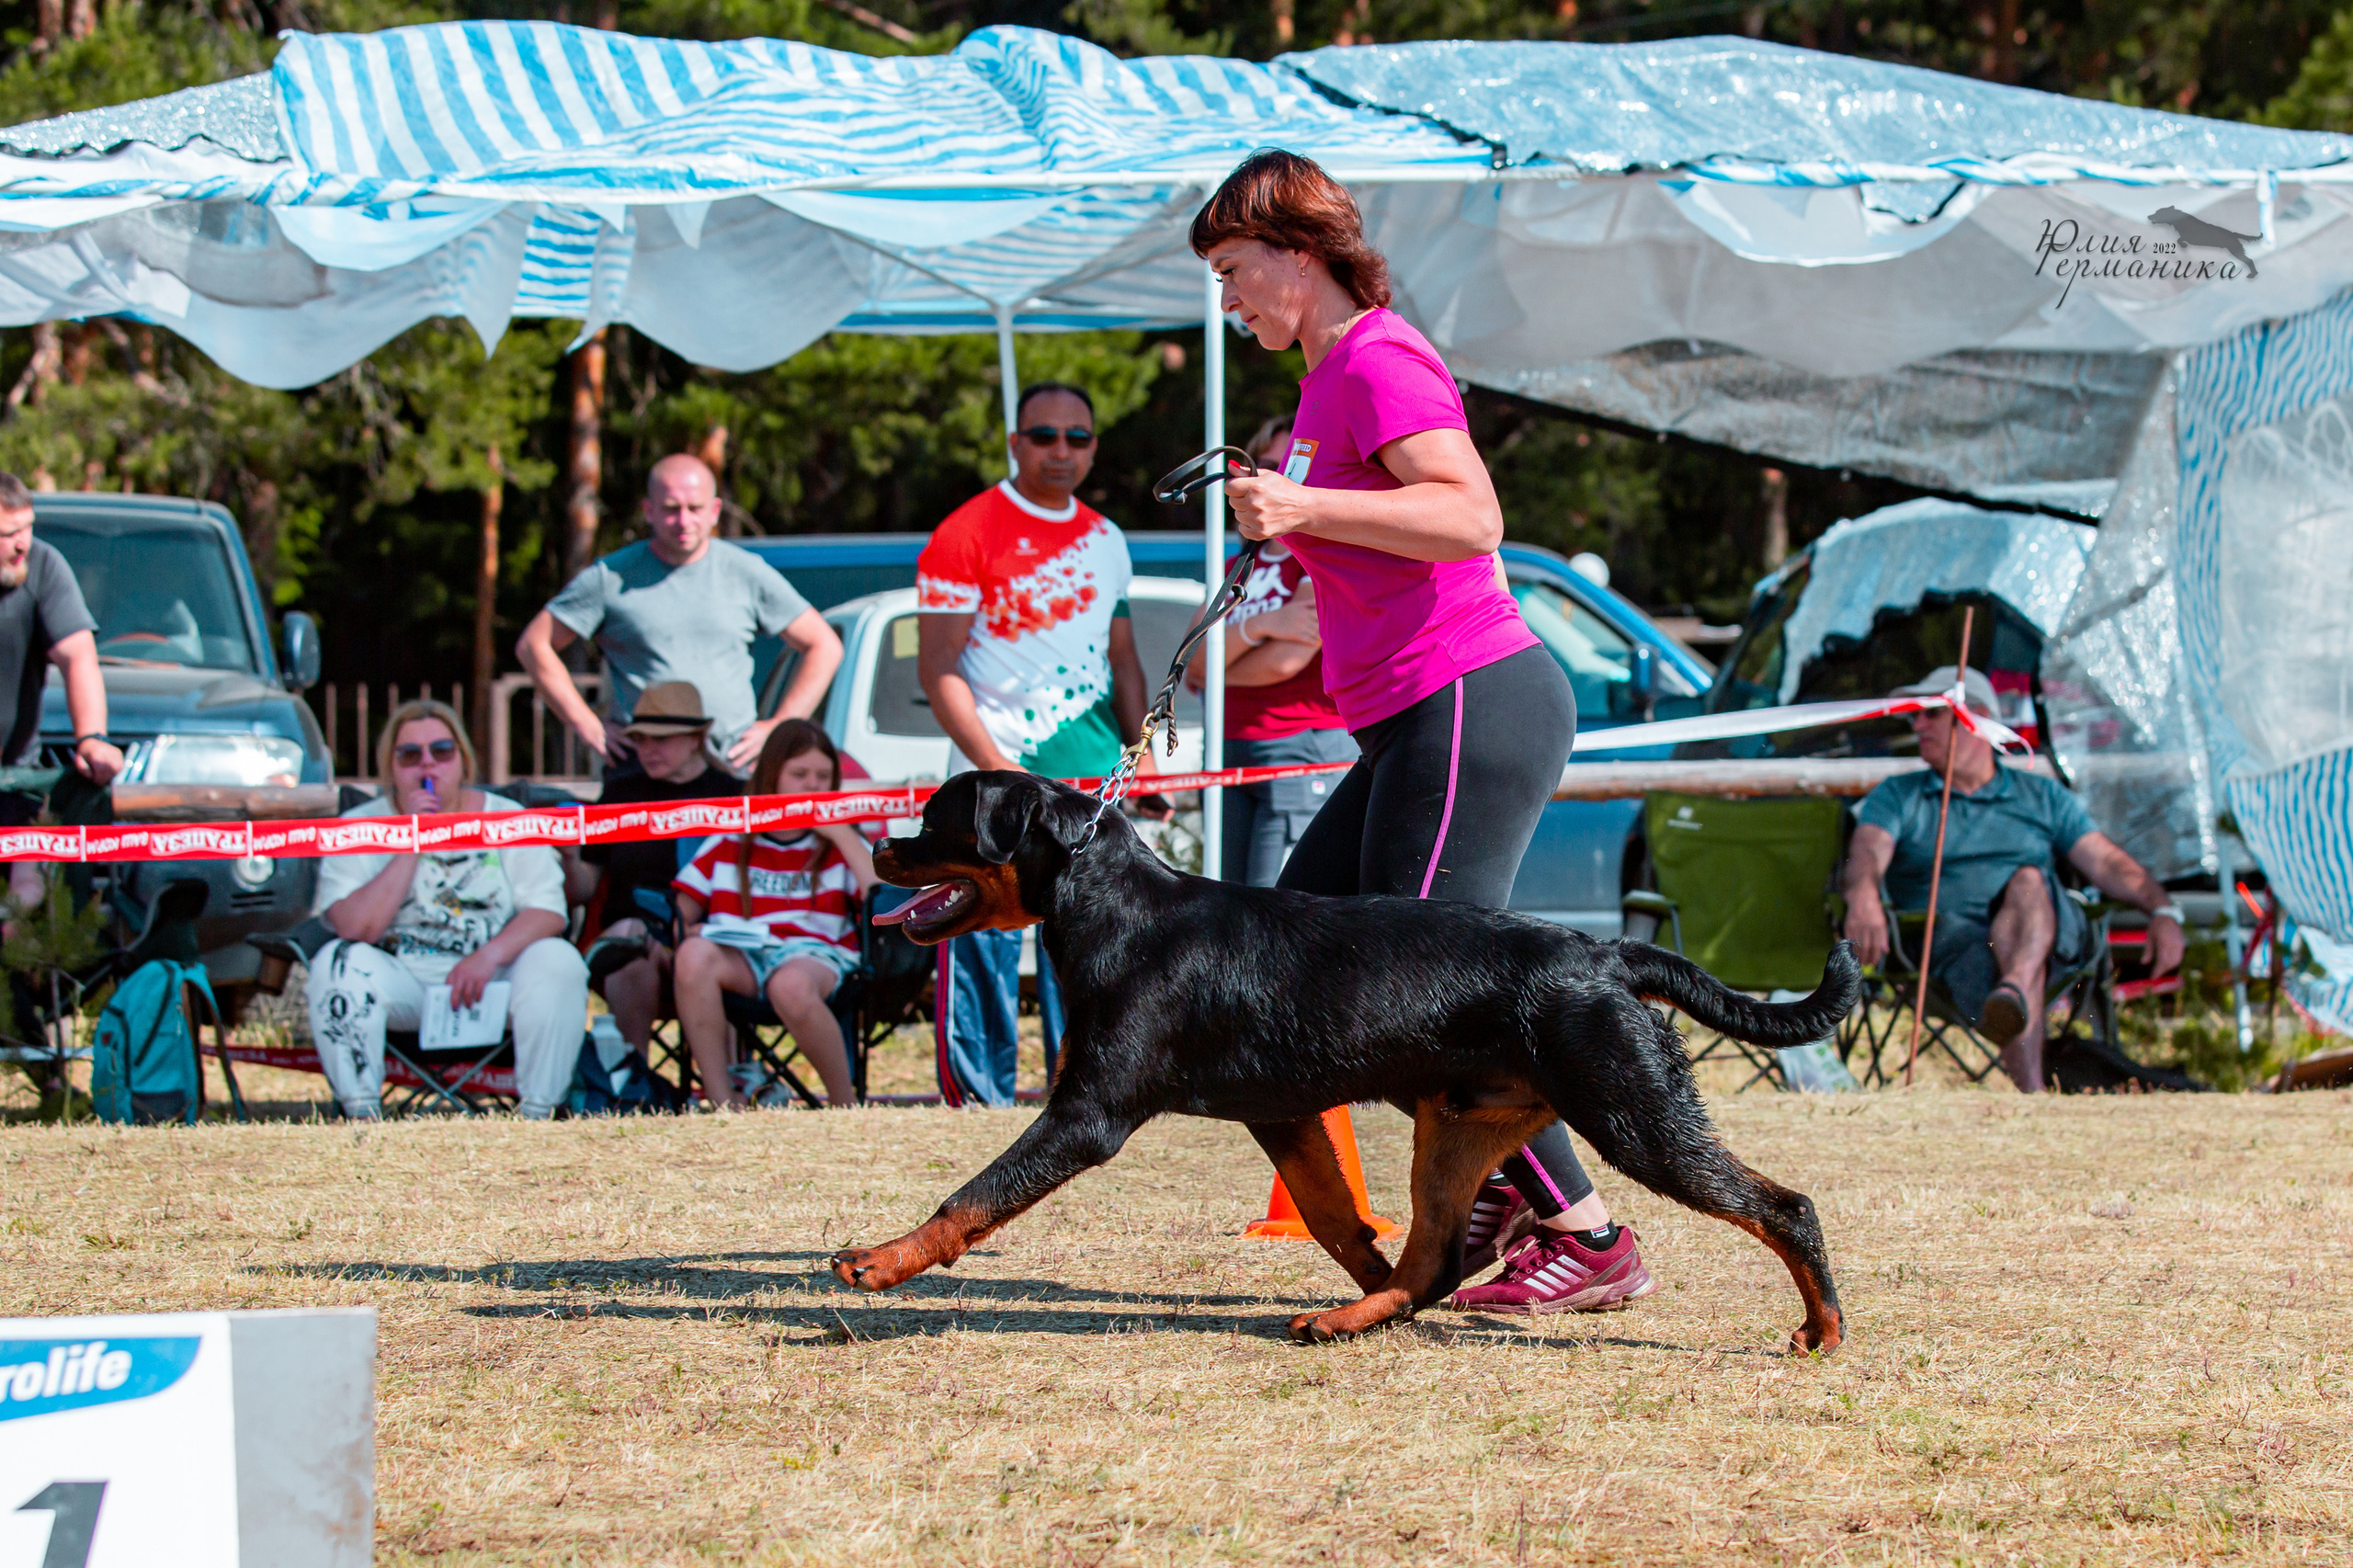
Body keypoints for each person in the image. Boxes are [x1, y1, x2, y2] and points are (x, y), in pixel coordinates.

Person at [1195, 148, 1651, 1314]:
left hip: (1469, 698)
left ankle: (1588, 1235)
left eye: (1238, 270)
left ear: (1300, 257)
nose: (1228, 298)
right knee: (1301, 956)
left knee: (1421, 988)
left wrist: (1298, 505)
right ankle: (1498, 1192)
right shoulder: (1322, 382)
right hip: (1413, 718)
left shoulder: (1378, 356)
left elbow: (1468, 515)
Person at [915, 381, 1153, 1106]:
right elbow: (937, 668)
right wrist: (997, 771)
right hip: (995, 781)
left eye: (1077, 438)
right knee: (980, 931)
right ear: (1015, 442)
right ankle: (977, 1099)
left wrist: (1141, 753)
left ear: (1093, 448)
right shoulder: (966, 531)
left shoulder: (1106, 539)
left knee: (1090, 944)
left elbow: (1123, 660)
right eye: (1044, 436)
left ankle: (1081, 1089)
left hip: (1085, 781)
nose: (1060, 451)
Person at [1842, 665, 2187, 1092]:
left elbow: (2107, 862)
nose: (1917, 724)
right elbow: (1868, 852)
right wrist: (1862, 896)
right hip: (1943, 948)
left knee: (2027, 882)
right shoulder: (1899, 795)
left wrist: (2163, 908)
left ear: (1977, 719)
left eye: (1933, 713)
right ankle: (2028, 1060)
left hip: (2044, 932)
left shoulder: (2041, 796)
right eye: (1915, 715)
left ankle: (2016, 997)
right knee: (2020, 954)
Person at [307, 700, 589, 1120]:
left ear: (463, 760)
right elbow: (353, 927)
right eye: (409, 755)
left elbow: (549, 911)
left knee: (559, 959)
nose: (427, 764)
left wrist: (487, 957)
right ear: (391, 768)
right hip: (406, 983)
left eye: (441, 751)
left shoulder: (507, 819)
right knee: (337, 961)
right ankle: (360, 1113)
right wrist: (414, 840)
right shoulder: (361, 824)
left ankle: (539, 1113)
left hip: (493, 979)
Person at [516, 454, 843, 774]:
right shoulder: (611, 577)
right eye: (672, 509)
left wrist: (779, 727)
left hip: (731, 764)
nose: (684, 521)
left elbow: (825, 645)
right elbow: (534, 645)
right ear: (649, 511)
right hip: (640, 767)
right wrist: (585, 723)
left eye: (695, 508)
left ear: (715, 511)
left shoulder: (746, 573)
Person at [1182, 415, 1358, 887]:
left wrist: (1216, 662)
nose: (1268, 478)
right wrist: (1263, 625)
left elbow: (1284, 662)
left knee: (1278, 915)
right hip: (1228, 749)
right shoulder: (1236, 563)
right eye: (1260, 465)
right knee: (1227, 913)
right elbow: (1191, 661)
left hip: (1300, 752)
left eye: (1285, 467)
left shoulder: (1321, 558)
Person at [671, 721, 876, 1108]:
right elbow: (679, 910)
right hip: (744, 955)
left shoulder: (840, 842)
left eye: (822, 776)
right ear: (772, 776)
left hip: (816, 956)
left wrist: (842, 833)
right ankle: (722, 1103)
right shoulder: (732, 836)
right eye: (799, 774)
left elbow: (882, 897)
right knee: (692, 956)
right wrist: (689, 930)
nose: (812, 785)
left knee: (790, 985)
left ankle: (845, 1104)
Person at [578, 682, 737, 1053]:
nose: (647, 750)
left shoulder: (732, 794)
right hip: (629, 939)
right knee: (632, 954)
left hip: (713, 937)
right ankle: (633, 1084)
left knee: (698, 955)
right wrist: (566, 856)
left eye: (661, 740)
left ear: (697, 738)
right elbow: (585, 885)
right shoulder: (620, 792)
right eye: (640, 740)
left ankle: (732, 1082)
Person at [0, 473, 124, 920]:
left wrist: (91, 738)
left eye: (28, 528)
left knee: (25, 904)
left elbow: (78, 659)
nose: (22, 544)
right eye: (8, 534)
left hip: (15, 785)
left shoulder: (44, 566)